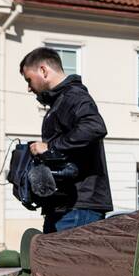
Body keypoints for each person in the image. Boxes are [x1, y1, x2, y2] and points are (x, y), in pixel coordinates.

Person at [19, 47, 112, 232]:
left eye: (29, 80)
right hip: (65, 207)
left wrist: (50, 146)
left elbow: (94, 127)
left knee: (68, 262)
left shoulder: (74, 96)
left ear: (43, 71)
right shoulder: (60, 101)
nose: (29, 88)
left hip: (78, 209)